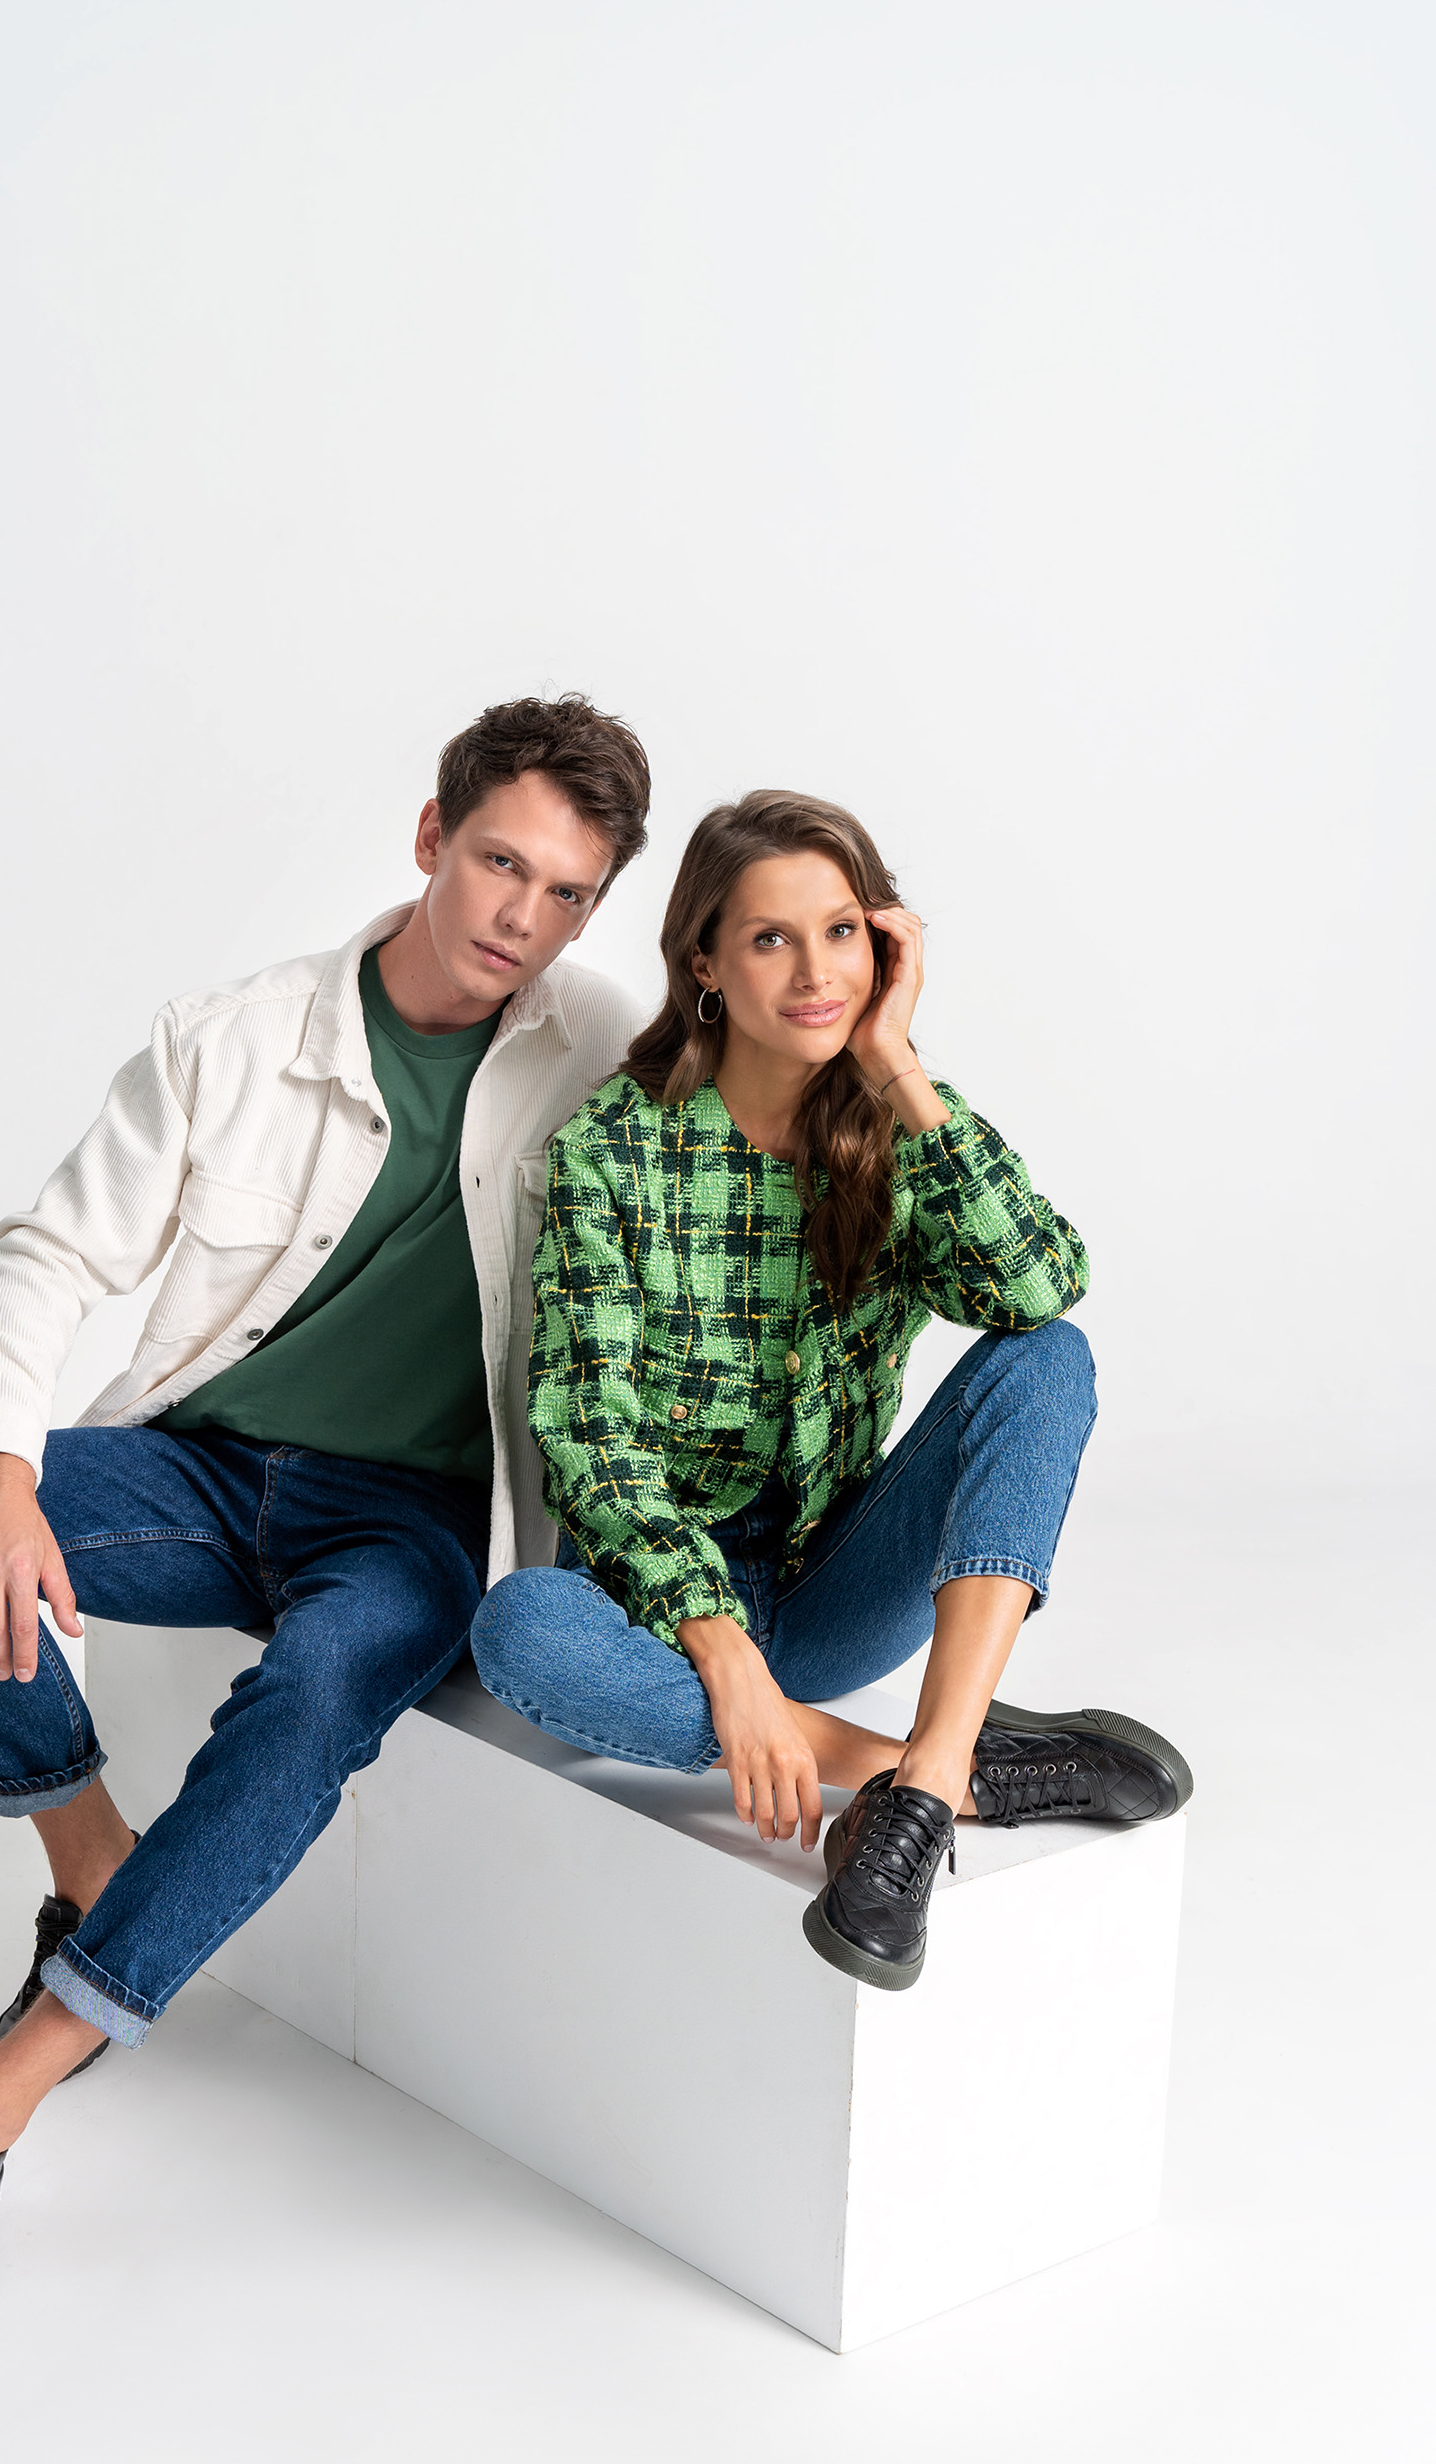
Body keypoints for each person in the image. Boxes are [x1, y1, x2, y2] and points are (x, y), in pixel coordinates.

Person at [0, 694, 650, 2316]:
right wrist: (1, 1469)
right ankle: (92, 1857)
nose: (522, 919)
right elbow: (53, 1252)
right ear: (431, 836)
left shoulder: (597, 1045)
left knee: (317, 1696)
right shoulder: (236, 1038)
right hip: (204, 1472)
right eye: (500, 863)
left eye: (567, 894)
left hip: (406, 1522)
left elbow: (767, 1093)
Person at [469, 790, 1192, 1993]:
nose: (816, 972)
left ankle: (931, 1770)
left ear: (883, 944)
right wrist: (729, 1663)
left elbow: (1039, 1285)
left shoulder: (892, 1130)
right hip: (663, 1613)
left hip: (837, 1584)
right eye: (771, 938)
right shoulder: (616, 1147)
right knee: (520, 1633)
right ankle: (931, 1772)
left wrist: (899, 1064)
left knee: (1046, 1356)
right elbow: (591, 1441)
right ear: (705, 962)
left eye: (843, 931)